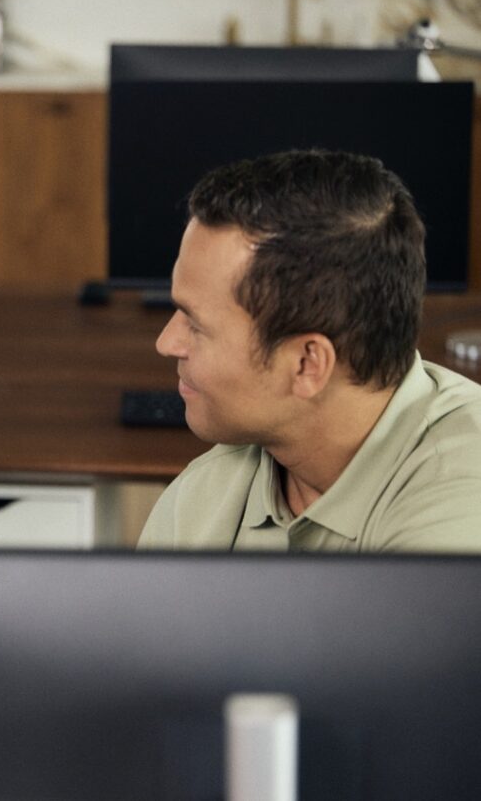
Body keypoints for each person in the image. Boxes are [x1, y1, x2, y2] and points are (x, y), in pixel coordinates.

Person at [137, 148, 481, 552]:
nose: (166, 343)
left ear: (307, 364)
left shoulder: (459, 512)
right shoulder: (200, 498)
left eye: (195, 324)